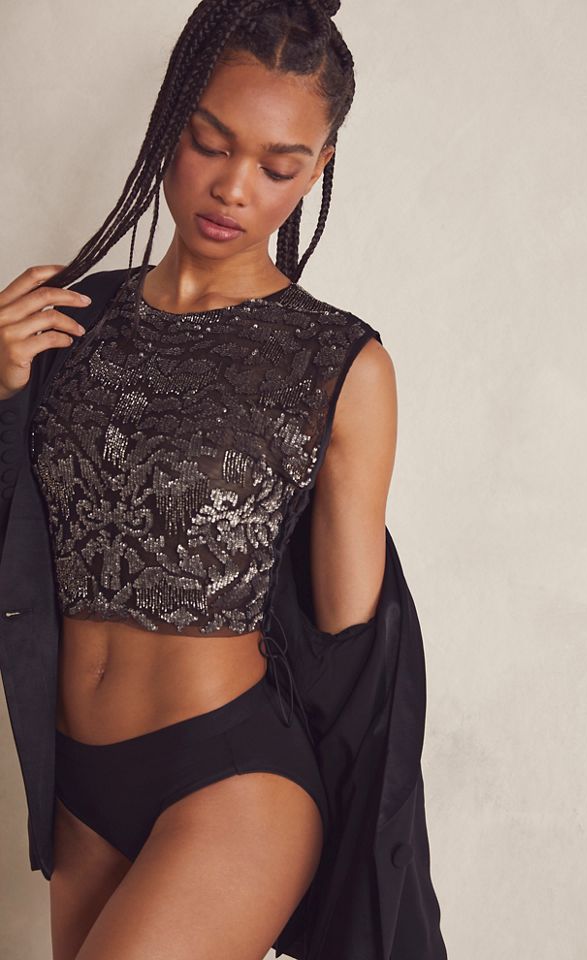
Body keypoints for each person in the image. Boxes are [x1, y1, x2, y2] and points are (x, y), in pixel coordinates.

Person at [0, 2, 448, 959]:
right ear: (172, 122)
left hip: (234, 779)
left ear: (318, 168)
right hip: (77, 785)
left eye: (280, 167)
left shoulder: (340, 365)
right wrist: (0, 394)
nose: (235, 188)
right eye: (210, 143)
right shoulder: (65, 324)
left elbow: (352, 648)